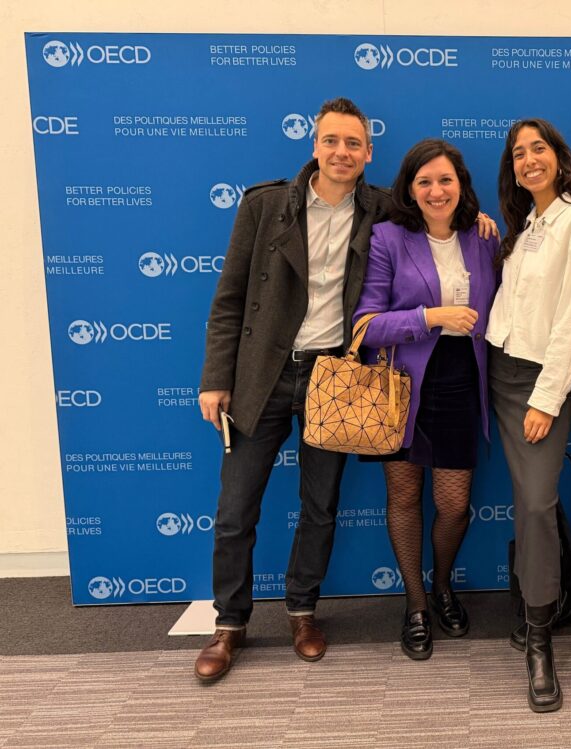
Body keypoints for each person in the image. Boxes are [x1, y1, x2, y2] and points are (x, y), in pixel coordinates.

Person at [195, 97, 388, 681]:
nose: (341, 152)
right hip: (263, 374)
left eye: (352, 143)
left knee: (320, 505)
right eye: (331, 140)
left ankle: (303, 612)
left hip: (335, 377)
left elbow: (440, 221)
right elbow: (229, 299)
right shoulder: (265, 205)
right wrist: (216, 379)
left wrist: (479, 224)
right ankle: (229, 624)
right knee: (235, 510)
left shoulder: (383, 208)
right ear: (314, 145)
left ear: (368, 152)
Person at [353, 139, 498, 660]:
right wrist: (430, 317)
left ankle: (442, 584)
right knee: (404, 498)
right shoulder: (388, 238)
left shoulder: (483, 237)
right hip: (401, 385)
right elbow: (366, 325)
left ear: (461, 185)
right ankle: (415, 603)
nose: (437, 191)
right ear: (410, 190)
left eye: (446, 180)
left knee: (455, 506)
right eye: (425, 182)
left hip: (462, 380)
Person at [486, 118, 571, 712]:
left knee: (535, 503)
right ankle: (546, 603)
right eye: (518, 153)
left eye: (539, 149)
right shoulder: (527, 226)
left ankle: (540, 642)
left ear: (559, 157)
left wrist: (547, 397)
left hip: (537, 383)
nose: (528, 159)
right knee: (529, 498)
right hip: (496, 369)